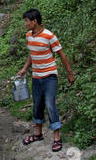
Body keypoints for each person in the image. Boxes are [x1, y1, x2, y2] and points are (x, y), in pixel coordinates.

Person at [17, 9, 75, 152]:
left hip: (50, 76)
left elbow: (61, 55)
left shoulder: (49, 36)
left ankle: (57, 138)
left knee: (50, 104)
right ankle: (38, 134)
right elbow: (32, 54)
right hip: (36, 77)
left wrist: (70, 73)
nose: (25, 24)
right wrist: (25, 69)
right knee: (37, 105)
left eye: (27, 21)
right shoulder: (29, 36)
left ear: (34, 21)